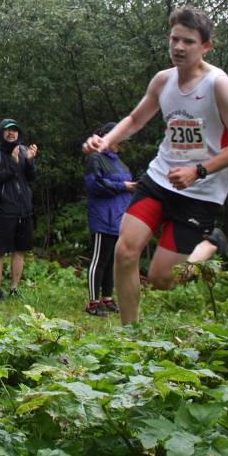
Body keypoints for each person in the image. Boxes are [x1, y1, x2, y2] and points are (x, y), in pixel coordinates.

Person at [83, 5, 228, 325]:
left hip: (200, 191)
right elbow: (136, 118)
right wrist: (104, 142)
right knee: (125, 252)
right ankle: (129, 334)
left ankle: (210, 244)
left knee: (162, 278)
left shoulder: (217, 84)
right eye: (174, 39)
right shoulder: (163, 81)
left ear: (205, 46)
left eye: (188, 42)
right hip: (160, 178)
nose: (179, 47)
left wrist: (198, 171)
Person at [84, 121, 136, 316]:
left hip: (119, 219)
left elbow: (127, 188)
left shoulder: (120, 162)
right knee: (98, 260)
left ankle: (106, 298)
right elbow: (94, 185)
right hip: (102, 217)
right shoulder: (95, 159)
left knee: (112, 261)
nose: (120, 143)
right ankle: (92, 302)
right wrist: (124, 186)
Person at [0, 118, 38, 300]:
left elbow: (31, 177)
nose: (11, 133)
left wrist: (30, 161)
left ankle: (14, 288)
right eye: (8, 130)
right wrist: (14, 162)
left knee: (20, 250)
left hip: (24, 208)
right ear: (2, 133)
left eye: (14, 130)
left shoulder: (24, 151)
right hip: (4, 208)